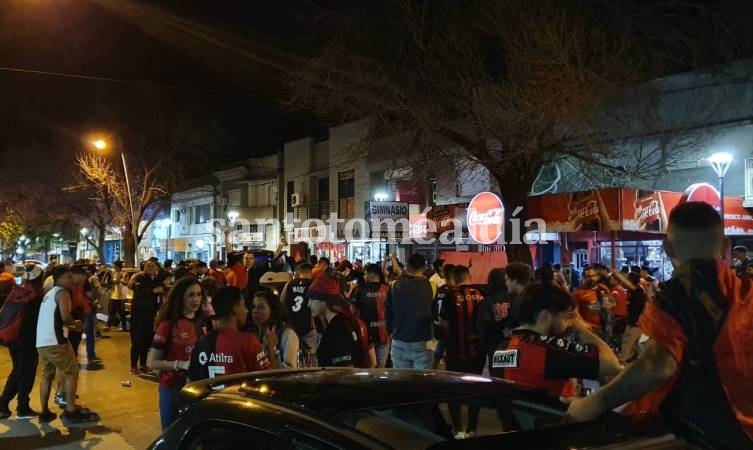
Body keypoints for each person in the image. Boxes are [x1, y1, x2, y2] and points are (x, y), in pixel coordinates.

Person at [565, 202, 753, 449]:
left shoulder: (678, 295)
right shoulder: (747, 291)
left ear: (667, 248)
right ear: (726, 247)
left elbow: (657, 366)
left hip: (714, 437)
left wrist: (591, 405)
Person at [490, 283, 622, 397]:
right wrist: (581, 328)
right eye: (565, 317)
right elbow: (612, 365)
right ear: (545, 316)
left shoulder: (501, 349)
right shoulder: (548, 352)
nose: (568, 323)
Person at [36, 266, 97, 423]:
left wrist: (71, 325)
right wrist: (76, 323)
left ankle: (44, 411)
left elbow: (55, 319)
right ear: (60, 278)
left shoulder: (49, 293)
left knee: (47, 376)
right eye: (69, 277)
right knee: (71, 371)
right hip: (55, 342)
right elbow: (66, 318)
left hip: (42, 342)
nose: (72, 280)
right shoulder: (62, 293)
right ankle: (70, 410)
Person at [147, 276, 204, 430]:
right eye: (191, 295)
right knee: (172, 434)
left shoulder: (202, 322)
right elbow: (151, 362)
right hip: (172, 388)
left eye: (199, 294)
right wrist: (180, 365)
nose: (196, 299)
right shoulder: (168, 324)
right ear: (181, 297)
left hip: (196, 387)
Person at [439, 265, 486, 439]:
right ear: (468, 276)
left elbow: (443, 323)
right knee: (475, 388)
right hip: (477, 352)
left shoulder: (450, 295)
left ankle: (458, 429)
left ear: (455, 278)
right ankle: (472, 428)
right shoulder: (481, 294)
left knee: (454, 389)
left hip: (455, 351)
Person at [188, 286, 271, 381]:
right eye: (243, 305)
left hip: (208, 396)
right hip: (236, 396)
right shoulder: (248, 342)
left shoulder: (201, 343)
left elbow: (191, 383)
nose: (247, 310)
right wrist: (270, 348)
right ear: (235, 309)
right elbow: (266, 379)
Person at [0, 264, 45, 419]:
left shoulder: (17, 291)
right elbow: (34, 322)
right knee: (26, 374)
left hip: (12, 339)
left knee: (17, 372)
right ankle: (22, 408)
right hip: (27, 341)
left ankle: (3, 405)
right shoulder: (36, 296)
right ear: (40, 279)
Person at [386, 254, 434, 370]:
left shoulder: (394, 286)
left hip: (399, 340)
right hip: (423, 342)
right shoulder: (432, 286)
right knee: (422, 383)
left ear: (407, 267)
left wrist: (391, 332)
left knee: (402, 384)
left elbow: (388, 312)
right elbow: (435, 314)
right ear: (424, 268)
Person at [308, 274, 361, 367]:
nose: (308, 304)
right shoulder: (342, 321)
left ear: (323, 300)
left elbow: (346, 371)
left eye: (312, 298)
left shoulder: (337, 329)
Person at [128, 261, 165, 374]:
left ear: (156, 268)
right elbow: (138, 289)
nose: (150, 268)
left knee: (146, 342)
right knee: (136, 341)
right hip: (138, 315)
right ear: (143, 267)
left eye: (153, 266)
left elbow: (162, 291)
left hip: (151, 316)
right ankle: (133, 366)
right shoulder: (138, 277)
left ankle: (143, 365)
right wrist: (153, 290)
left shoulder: (157, 280)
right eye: (148, 266)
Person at [250, 290, 297, 368]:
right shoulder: (256, 335)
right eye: (253, 307)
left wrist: (271, 349)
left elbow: (290, 372)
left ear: (273, 310)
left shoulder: (287, 334)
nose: (255, 311)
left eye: (261, 307)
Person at [356, 264, 390, 368]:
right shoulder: (388, 290)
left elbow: (354, 312)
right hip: (384, 333)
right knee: (381, 366)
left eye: (365, 274)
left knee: (368, 366)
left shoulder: (360, 291)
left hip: (366, 334)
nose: (364, 276)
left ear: (371, 274)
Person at [280, 263, 318, 356]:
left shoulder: (289, 284)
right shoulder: (313, 285)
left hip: (291, 326)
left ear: (299, 272)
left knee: (291, 355)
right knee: (310, 356)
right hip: (308, 327)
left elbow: (281, 302)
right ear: (311, 273)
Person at [477, 267, 509, 368]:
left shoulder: (487, 301)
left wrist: (482, 348)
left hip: (494, 345)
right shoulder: (515, 298)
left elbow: (483, 326)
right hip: (512, 344)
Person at [572, 266, 615, 336]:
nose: (591, 278)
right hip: (588, 329)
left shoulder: (603, 288)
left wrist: (605, 303)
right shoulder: (578, 292)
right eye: (588, 276)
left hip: (604, 329)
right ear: (584, 278)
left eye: (593, 275)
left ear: (597, 276)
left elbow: (612, 305)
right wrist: (583, 324)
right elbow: (575, 311)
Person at [431, 263, 455, 369]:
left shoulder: (438, 289)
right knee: (450, 354)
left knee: (437, 354)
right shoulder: (454, 292)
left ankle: (432, 375)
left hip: (438, 326)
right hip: (451, 328)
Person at [107, 261, 129, 331]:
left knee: (122, 312)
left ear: (118, 266)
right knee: (111, 311)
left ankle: (124, 327)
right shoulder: (115, 273)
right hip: (114, 295)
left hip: (122, 296)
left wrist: (119, 281)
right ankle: (108, 326)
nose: (114, 268)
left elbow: (126, 283)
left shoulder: (124, 273)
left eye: (115, 266)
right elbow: (112, 282)